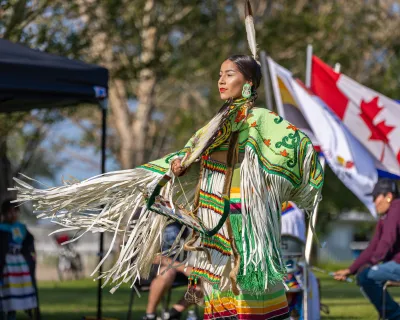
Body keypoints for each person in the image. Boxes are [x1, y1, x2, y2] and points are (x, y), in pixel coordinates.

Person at [12, 2, 324, 319]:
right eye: (219, 74)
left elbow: (297, 146)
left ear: (247, 82)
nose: (220, 80)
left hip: (248, 221)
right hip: (216, 222)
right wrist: (182, 165)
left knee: (251, 291)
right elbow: (191, 152)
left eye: (228, 74)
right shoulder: (217, 123)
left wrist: (257, 145)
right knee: (221, 294)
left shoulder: (261, 120)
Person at [334, 178, 400, 320]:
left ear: (388, 196)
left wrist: (371, 264)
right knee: (364, 275)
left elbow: (387, 242)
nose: (374, 202)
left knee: (366, 276)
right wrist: (351, 270)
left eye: (376, 197)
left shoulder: (396, 208)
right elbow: (373, 247)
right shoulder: (386, 216)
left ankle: (395, 315)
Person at [143, 222, 202, 320]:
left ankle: (173, 313)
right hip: (150, 269)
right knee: (167, 272)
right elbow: (152, 256)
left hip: (176, 268)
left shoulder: (179, 219)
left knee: (202, 278)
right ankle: (150, 315)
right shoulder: (147, 216)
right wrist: (184, 268)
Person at [0, 199, 38, 320]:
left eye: (15, 211)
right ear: (4, 214)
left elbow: (29, 245)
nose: (13, 215)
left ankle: (12, 316)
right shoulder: (1, 228)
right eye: (10, 212)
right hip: (5, 265)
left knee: (16, 293)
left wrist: (31, 256)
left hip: (20, 265)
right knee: (6, 293)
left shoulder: (22, 228)